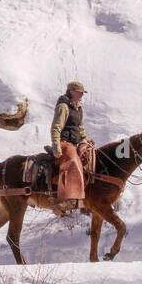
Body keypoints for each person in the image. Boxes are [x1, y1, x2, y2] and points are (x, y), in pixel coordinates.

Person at [50, 80, 90, 210]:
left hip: (75, 142)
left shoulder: (78, 108)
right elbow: (56, 127)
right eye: (79, 93)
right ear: (71, 91)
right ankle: (67, 198)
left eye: (82, 93)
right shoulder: (63, 106)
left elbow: (81, 128)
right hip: (64, 143)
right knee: (73, 161)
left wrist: (84, 141)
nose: (81, 95)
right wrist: (56, 147)